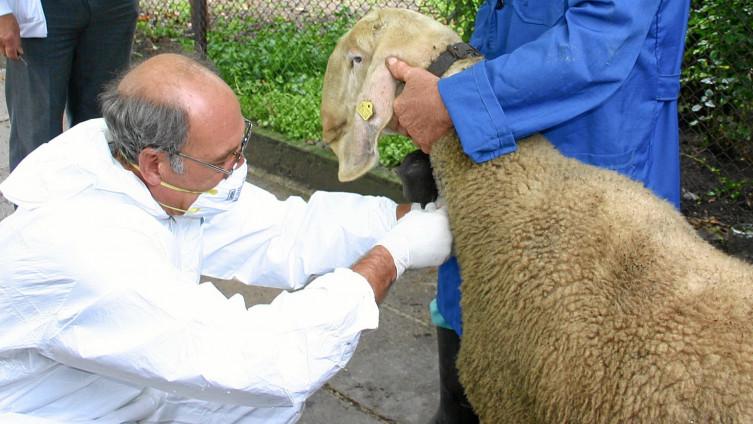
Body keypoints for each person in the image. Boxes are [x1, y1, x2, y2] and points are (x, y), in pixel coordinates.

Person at [0, 53, 453, 423]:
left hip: (120, 387)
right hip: (60, 411)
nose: (238, 168)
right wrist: (392, 256)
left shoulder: (139, 171)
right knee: (262, 386)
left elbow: (282, 231)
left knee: (258, 408)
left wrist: (401, 216)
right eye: (225, 159)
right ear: (156, 162)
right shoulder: (90, 249)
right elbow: (264, 358)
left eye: (242, 144)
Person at [386, 0, 691, 422]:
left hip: (589, 163)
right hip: (502, 150)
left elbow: (599, 40)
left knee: (581, 367)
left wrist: (453, 102)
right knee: (482, 331)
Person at [0, 0, 138, 171]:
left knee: (103, 129)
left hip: (113, 9)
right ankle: (37, 197)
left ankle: (93, 197)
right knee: (37, 134)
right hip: (46, 10)